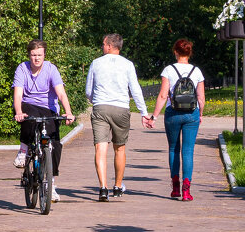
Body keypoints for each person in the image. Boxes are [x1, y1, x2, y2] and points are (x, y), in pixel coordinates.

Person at [85, 33, 149, 202]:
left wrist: (97, 101)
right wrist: (144, 113)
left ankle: (103, 188)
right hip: (121, 108)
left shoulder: (96, 63)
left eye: (103, 44)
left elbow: (88, 91)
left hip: (100, 108)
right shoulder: (128, 65)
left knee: (101, 148)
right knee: (119, 148)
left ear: (109, 46)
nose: (102, 46)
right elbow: (135, 89)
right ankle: (118, 186)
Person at [12, 40, 76, 202]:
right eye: (33, 55)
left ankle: (50, 184)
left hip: (49, 109)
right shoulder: (22, 68)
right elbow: (18, 94)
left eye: (39, 55)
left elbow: (61, 93)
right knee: (29, 117)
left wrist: (68, 112)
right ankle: (23, 150)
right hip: (28, 104)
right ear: (29, 55)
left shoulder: (51, 69)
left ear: (44, 55)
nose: (36, 58)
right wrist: (18, 112)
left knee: (55, 144)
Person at [143, 38, 206, 201]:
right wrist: (200, 114)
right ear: (189, 53)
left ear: (175, 52)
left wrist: (154, 116)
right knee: (188, 151)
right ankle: (187, 190)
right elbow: (201, 97)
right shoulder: (197, 71)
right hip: (192, 113)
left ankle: (175, 188)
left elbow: (163, 95)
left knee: (173, 149)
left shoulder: (168, 70)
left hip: (173, 113)